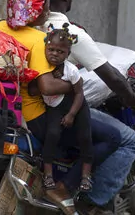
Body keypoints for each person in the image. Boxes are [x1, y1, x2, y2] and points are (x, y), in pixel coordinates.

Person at [0, 0, 122, 215]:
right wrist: (75, 86)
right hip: (39, 118)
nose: (47, 13)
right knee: (113, 137)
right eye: (45, 8)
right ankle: (63, 187)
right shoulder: (37, 40)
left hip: (9, 108)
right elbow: (47, 87)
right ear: (38, 12)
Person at [38, 0, 135, 214]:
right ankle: (90, 203)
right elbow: (111, 76)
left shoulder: (29, 24)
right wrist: (133, 101)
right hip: (55, 105)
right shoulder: (70, 33)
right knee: (127, 140)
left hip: (27, 103)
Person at [36, 24, 93, 193]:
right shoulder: (42, 66)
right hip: (55, 107)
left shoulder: (71, 71)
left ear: (68, 54)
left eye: (60, 52)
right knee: (52, 135)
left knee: (85, 137)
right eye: (51, 49)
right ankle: (48, 175)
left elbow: (79, 93)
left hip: (76, 106)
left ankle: (85, 177)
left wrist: (72, 114)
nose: (54, 54)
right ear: (45, 48)